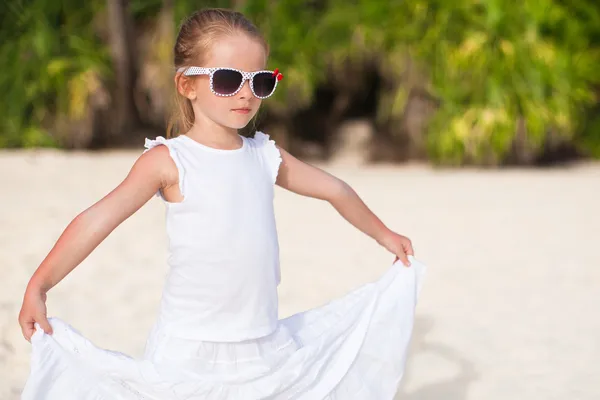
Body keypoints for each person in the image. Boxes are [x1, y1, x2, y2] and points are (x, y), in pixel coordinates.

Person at [18, 8, 426, 399]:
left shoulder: (265, 156)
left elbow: (335, 189)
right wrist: (40, 283)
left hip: (262, 344)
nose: (247, 94)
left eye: (261, 81)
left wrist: (383, 234)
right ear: (187, 85)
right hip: (189, 347)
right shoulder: (170, 161)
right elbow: (97, 220)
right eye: (229, 79)